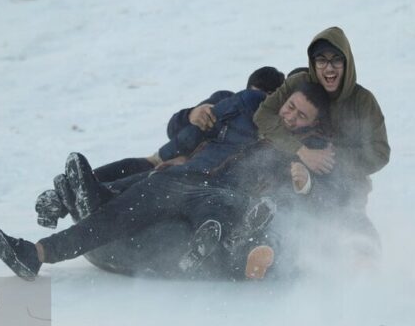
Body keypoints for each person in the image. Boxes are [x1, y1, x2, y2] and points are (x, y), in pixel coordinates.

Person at [0, 79, 337, 281]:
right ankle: (36, 253)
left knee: (217, 215)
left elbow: (308, 193)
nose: (290, 115)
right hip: (180, 176)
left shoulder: (303, 152)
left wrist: (302, 175)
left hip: (223, 194)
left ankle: (197, 253)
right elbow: (191, 125)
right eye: (290, 106)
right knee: (114, 216)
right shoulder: (249, 106)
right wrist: (192, 115)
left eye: (300, 115)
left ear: (310, 124)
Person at [35, 66, 286, 227]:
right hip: (166, 158)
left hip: (190, 177)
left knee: (148, 179)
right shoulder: (225, 101)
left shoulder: (264, 135)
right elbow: (174, 129)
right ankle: (61, 197)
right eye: (254, 95)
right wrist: (191, 115)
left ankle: (87, 199)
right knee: (134, 165)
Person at [254, 27, 390, 239]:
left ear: (347, 63)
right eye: (321, 61)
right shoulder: (300, 82)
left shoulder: (363, 101)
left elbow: (381, 153)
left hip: (345, 183)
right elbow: (264, 115)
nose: (329, 68)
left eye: (336, 60)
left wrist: (334, 159)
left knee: (346, 215)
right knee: (281, 203)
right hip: (291, 167)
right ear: (313, 63)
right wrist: (302, 151)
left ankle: (365, 257)